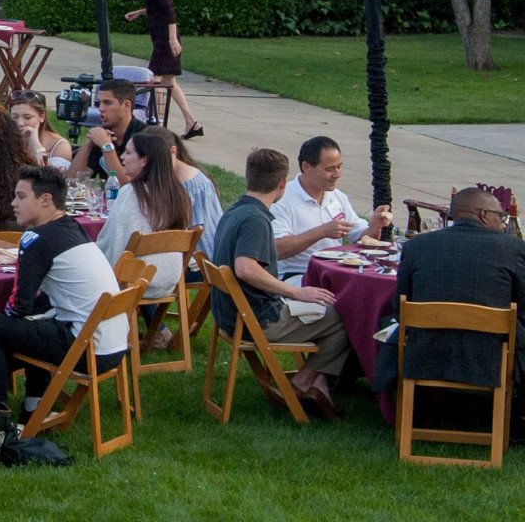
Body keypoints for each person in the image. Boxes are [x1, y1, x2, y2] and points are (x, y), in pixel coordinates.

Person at [0, 166, 127, 456]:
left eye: (20, 196)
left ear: (45, 200)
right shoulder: (73, 227)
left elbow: (19, 306)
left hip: (86, 349)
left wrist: (6, 317)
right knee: (34, 326)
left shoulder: (35, 239)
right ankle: (33, 410)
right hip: (113, 347)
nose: (13, 204)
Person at [212, 147, 358, 416]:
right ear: (282, 184)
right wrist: (294, 292)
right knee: (346, 314)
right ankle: (306, 380)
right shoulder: (256, 220)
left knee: (330, 307)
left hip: (231, 315)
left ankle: (316, 382)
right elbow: (245, 268)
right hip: (258, 320)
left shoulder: (235, 211)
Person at [390, 187, 525, 396]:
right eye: (501, 216)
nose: (503, 223)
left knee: (385, 326)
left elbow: (400, 308)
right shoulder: (512, 248)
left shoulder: (416, 246)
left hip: (425, 352)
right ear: (484, 215)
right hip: (491, 356)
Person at [271, 134, 392, 280]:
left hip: (335, 273)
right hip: (297, 275)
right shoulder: (283, 199)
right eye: (329, 169)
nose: (337, 174)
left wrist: (374, 226)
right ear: (306, 167)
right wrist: (322, 232)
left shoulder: (337, 196)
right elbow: (277, 250)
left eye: (339, 167)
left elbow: (363, 238)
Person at [95, 130, 194, 301]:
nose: (122, 157)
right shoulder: (178, 193)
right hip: (166, 280)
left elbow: (114, 243)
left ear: (144, 160)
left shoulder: (132, 193)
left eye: (128, 152)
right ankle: (155, 324)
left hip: (132, 281)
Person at [124, 0, 201, 137]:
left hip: (165, 42)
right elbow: (158, 7)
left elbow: (168, 11)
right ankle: (191, 123)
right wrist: (140, 13)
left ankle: (155, 125)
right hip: (162, 40)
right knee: (169, 81)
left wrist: (172, 39)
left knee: (153, 81)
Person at [67, 79, 149, 182]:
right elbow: (72, 181)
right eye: (99, 103)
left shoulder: (146, 136)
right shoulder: (102, 135)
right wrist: (88, 144)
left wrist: (106, 146)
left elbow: (127, 186)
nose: (101, 108)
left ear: (126, 105)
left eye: (107, 103)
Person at [10, 93, 74, 170]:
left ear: (42, 117)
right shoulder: (5, 138)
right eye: (14, 117)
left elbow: (54, 179)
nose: (20, 123)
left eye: (27, 117)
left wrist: (37, 145)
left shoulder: (59, 145)